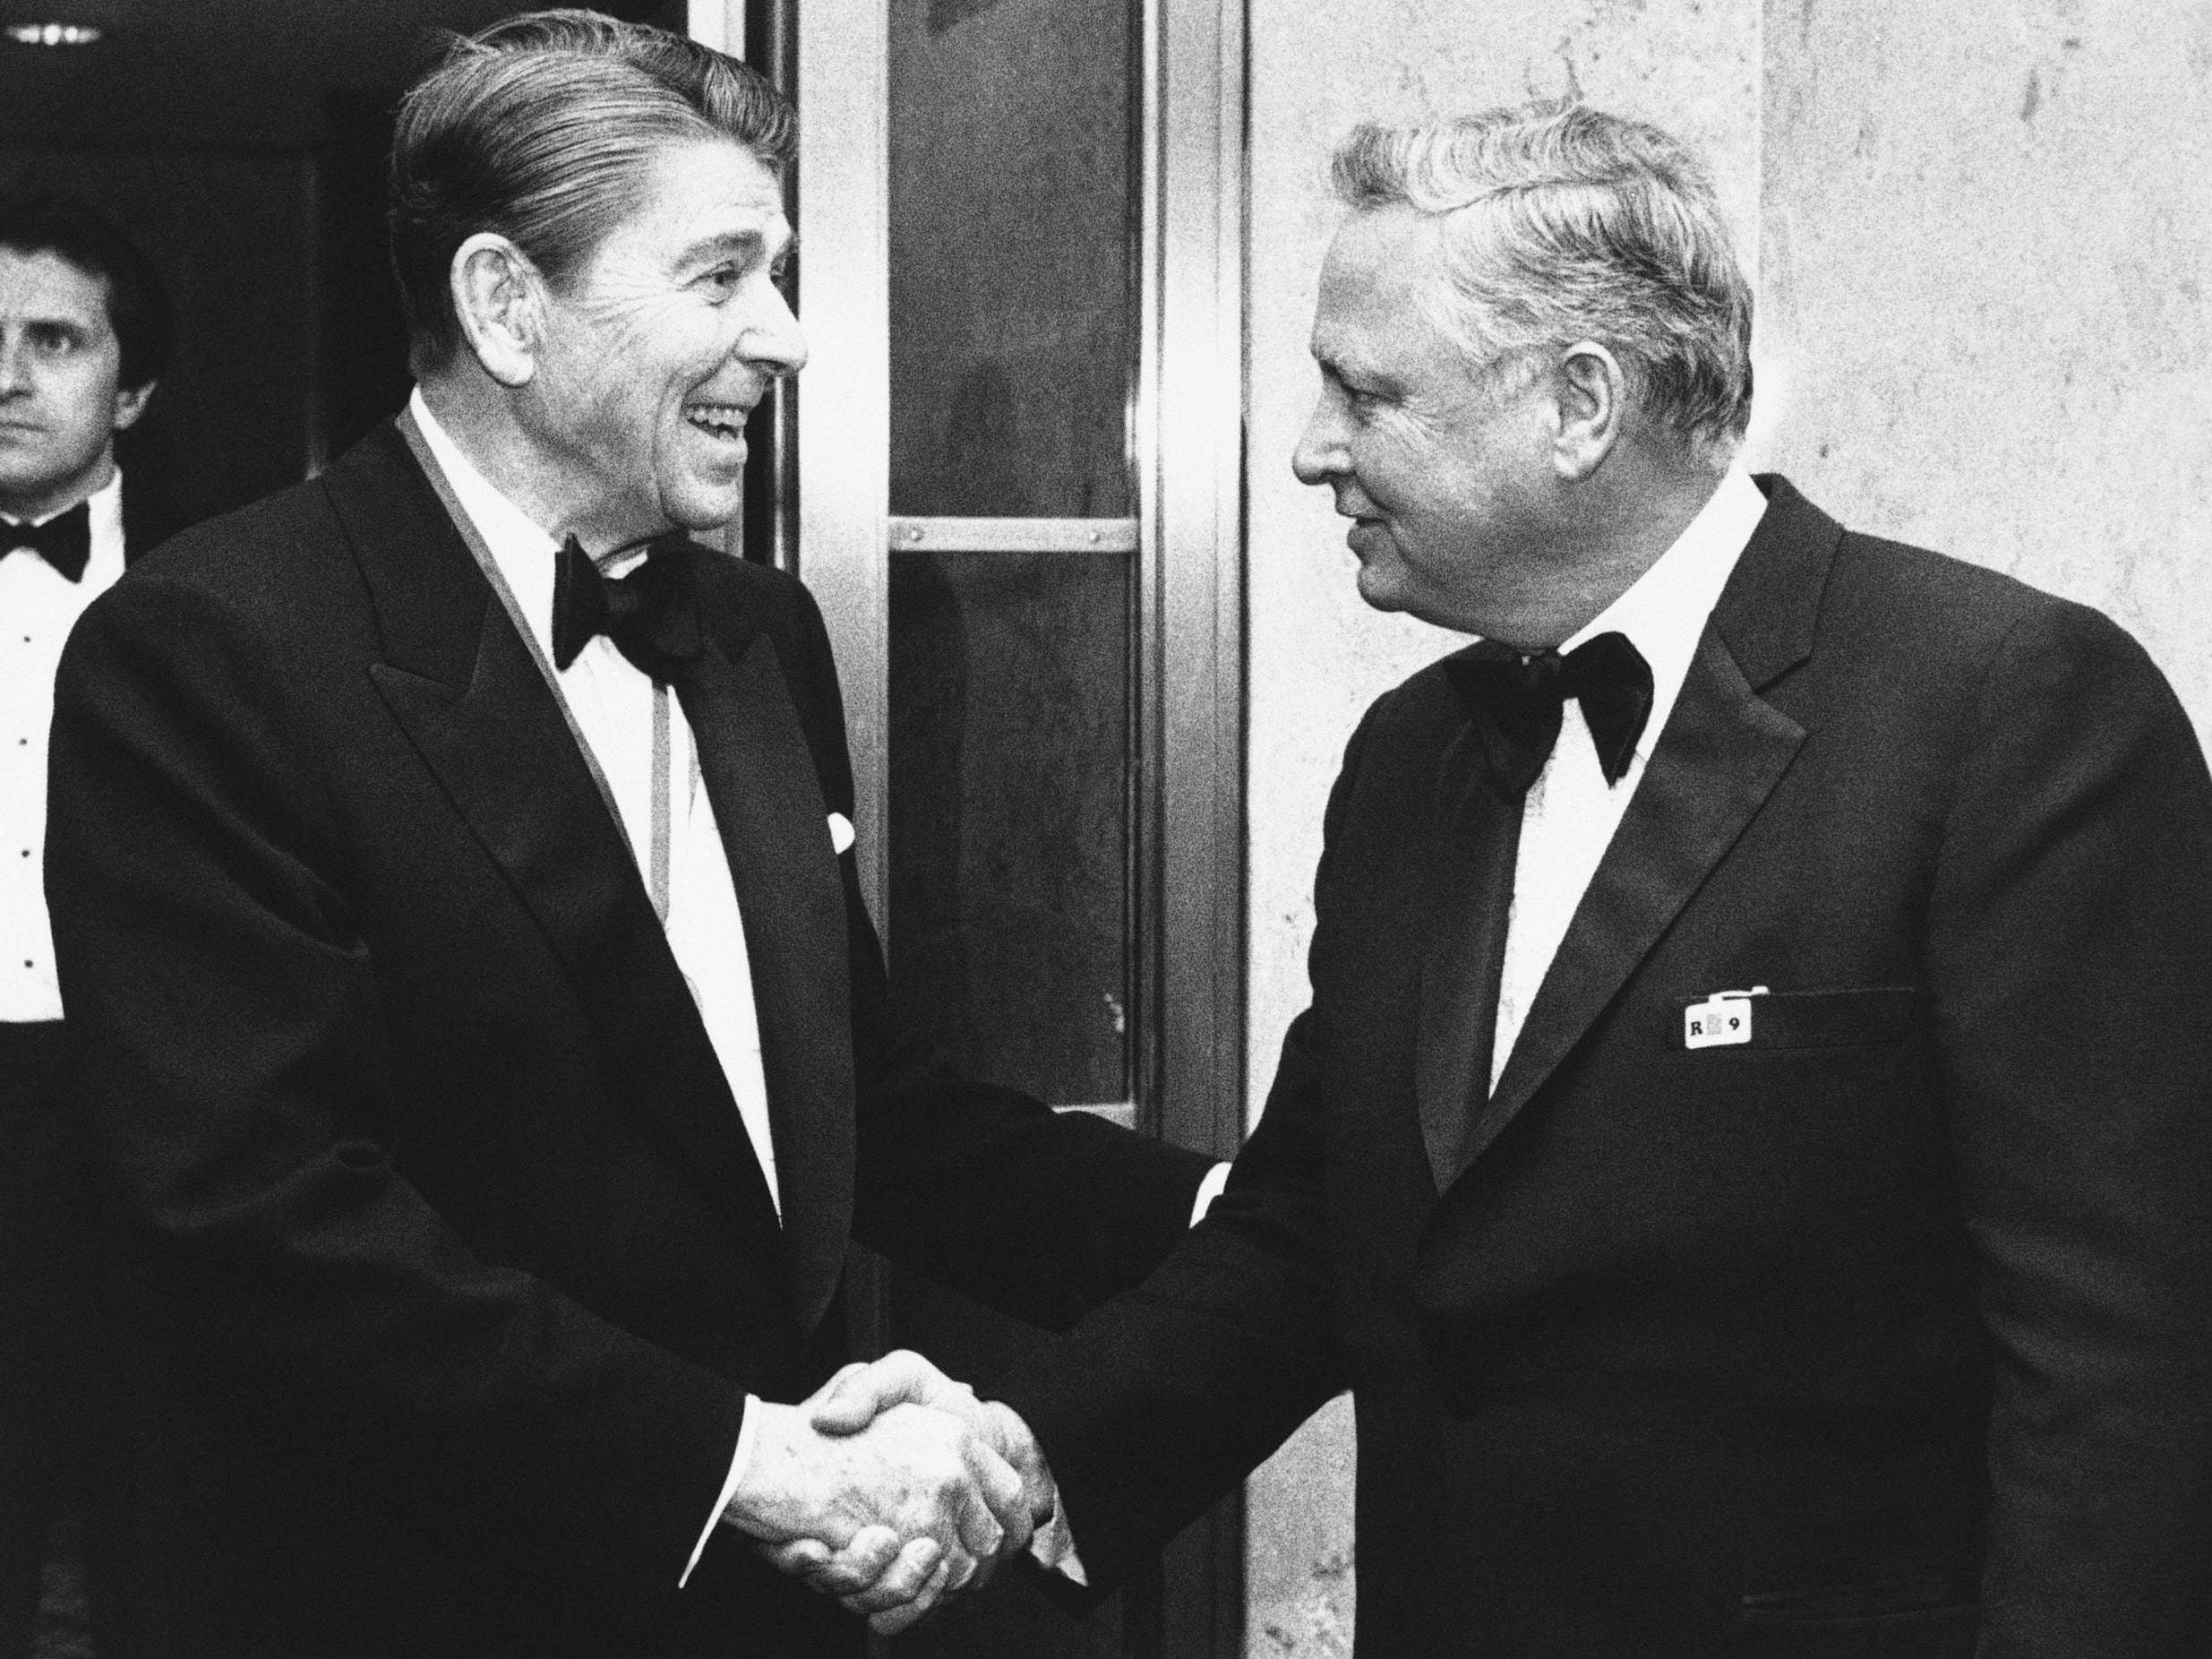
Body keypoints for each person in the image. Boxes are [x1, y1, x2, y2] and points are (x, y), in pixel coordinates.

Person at [809, 103, 2212, 1654]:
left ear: (1578, 404)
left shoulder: (2005, 711)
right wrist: (1022, 1454)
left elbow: (2124, 1374)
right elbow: (1308, 1232)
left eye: (1365, 391)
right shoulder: (1410, 758)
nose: (1307, 447)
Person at [40, 13, 1214, 1656]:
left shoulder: (759, 635)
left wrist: (1236, 1221)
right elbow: (268, 1223)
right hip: (401, 1593)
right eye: (721, 275)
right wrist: (741, 1462)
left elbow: (857, 1112)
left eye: (777, 272)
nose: (788, 335)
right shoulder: (207, 651)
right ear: (505, 307)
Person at [1, 190, 179, 1659]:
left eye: (52, 339)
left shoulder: (235, 592)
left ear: (134, 386)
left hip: (167, 1119)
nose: (3, 374)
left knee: (163, 1529)